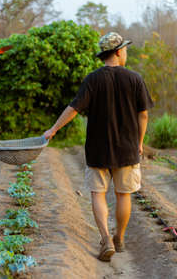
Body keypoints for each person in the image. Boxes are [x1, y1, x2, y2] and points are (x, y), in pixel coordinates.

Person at [44, 32, 153, 261]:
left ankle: (105, 238)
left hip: (98, 149)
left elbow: (73, 108)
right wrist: (140, 143)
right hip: (127, 148)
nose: (126, 52)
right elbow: (143, 115)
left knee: (98, 193)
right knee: (124, 195)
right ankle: (119, 237)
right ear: (118, 52)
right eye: (125, 49)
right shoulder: (135, 79)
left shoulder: (92, 79)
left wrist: (53, 129)